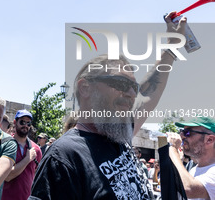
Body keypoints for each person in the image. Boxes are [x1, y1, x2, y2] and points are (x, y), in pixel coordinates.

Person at [29, 12, 187, 199]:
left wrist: (171, 47)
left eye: (133, 87)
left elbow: (147, 92)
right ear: (85, 87)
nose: (130, 94)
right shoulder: (64, 158)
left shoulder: (119, 134)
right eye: (120, 84)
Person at [167, 116, 215, 200]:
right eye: (181, 131)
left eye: (187, 132)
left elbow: (188, 189)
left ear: (209, 139)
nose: (181, 136)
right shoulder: (193, 170)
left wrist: (172, 148)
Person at [2, 110, 42, 200]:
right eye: (22, 122)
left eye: (28, 123)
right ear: (15, 122)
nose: (25, 126)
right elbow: (7, 176)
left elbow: (35, 175)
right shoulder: (5, 144)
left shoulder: (36, 149)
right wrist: (27, 159)